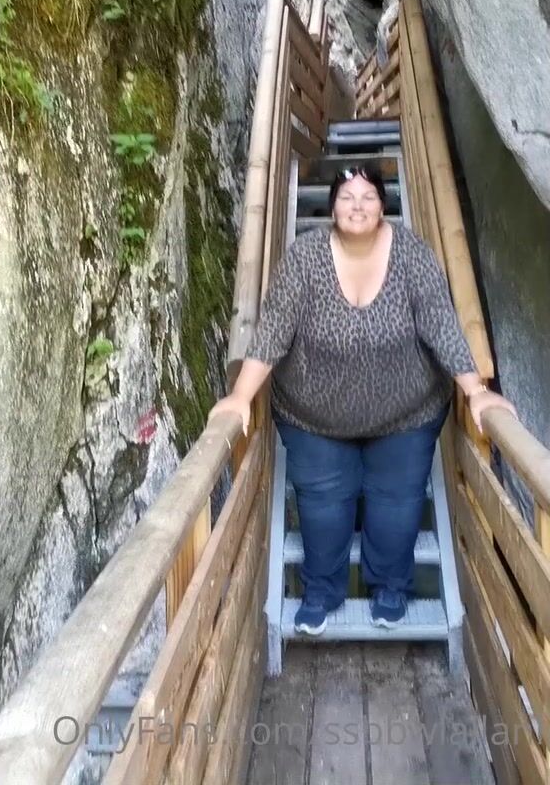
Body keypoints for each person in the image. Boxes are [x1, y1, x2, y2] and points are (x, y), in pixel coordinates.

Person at [207, 163, 516, 635]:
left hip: (406, 412)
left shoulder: (411, 253)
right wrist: (241, 397)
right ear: (332, 205)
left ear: (383, 205)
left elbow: (440, 322)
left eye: (368, 196)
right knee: (325, 504)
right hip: (314, 414)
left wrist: (475, 390)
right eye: (347, 196)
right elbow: (272, 330)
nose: (357, 205)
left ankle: (391, 587)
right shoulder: (305, 257)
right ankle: (321, 591)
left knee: (396, 502)